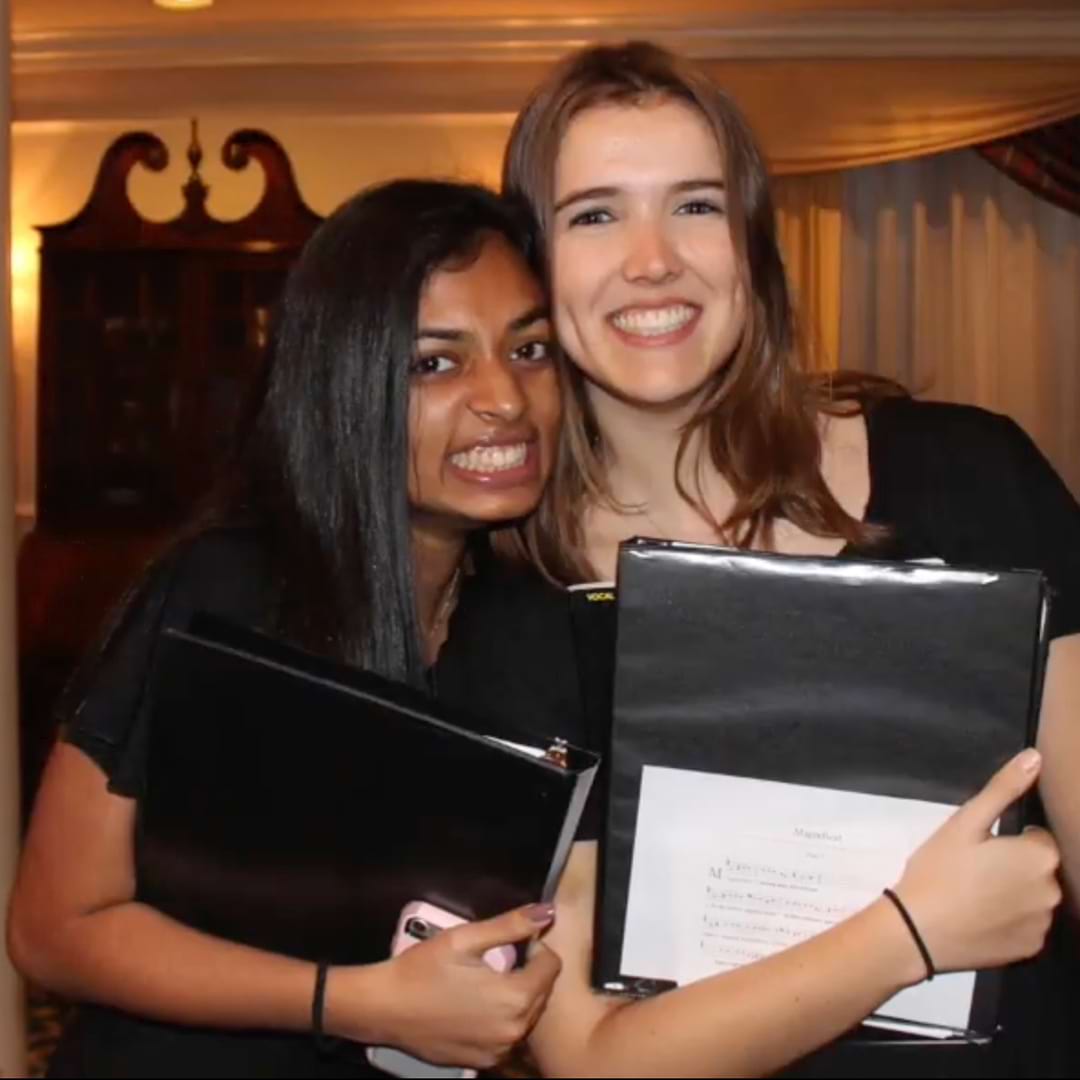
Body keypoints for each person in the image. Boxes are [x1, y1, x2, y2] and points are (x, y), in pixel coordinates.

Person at [438, 41, 1078, 1077]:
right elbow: (594, 1059)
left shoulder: (974, 474)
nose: (653, 258)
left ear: (752, 245)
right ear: (535, 266)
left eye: (695, 205)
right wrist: (907, 933)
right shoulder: (513, 616)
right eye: (595, 214)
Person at [7, 179, 567, 1078]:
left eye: (530, 347)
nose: (506, 397)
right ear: (346, 382)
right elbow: (53, 927)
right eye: (435, 362)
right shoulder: (229, 591)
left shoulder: (531, 627)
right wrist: (351, 1002)